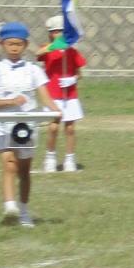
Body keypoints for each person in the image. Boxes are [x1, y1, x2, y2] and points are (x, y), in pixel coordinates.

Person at [0, 22, 60, 228]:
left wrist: (55, 111)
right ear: (1, 44)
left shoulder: (33, 70)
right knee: (9, 164)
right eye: (10, 44)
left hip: (26, 126)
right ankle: (10, 207)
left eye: (18, 44)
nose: (14, 48)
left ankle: (24, 211)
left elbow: (45, 96)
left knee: (24, 170)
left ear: (25, 45)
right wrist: (10, 102)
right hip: (2, 124)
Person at [36, 15, 87, 173]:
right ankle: (50, 157)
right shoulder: (47, 48)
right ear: (50, 33)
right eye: (55, 31)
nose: (58, 34)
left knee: (70, 128)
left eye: (61, 31)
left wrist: (73, 79)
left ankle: (70, 158)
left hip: (69, 95)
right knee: (53, 127)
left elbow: (79, 73)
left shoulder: (72, 51)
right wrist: (53, 46)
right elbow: (38, 53)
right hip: (52, 95)